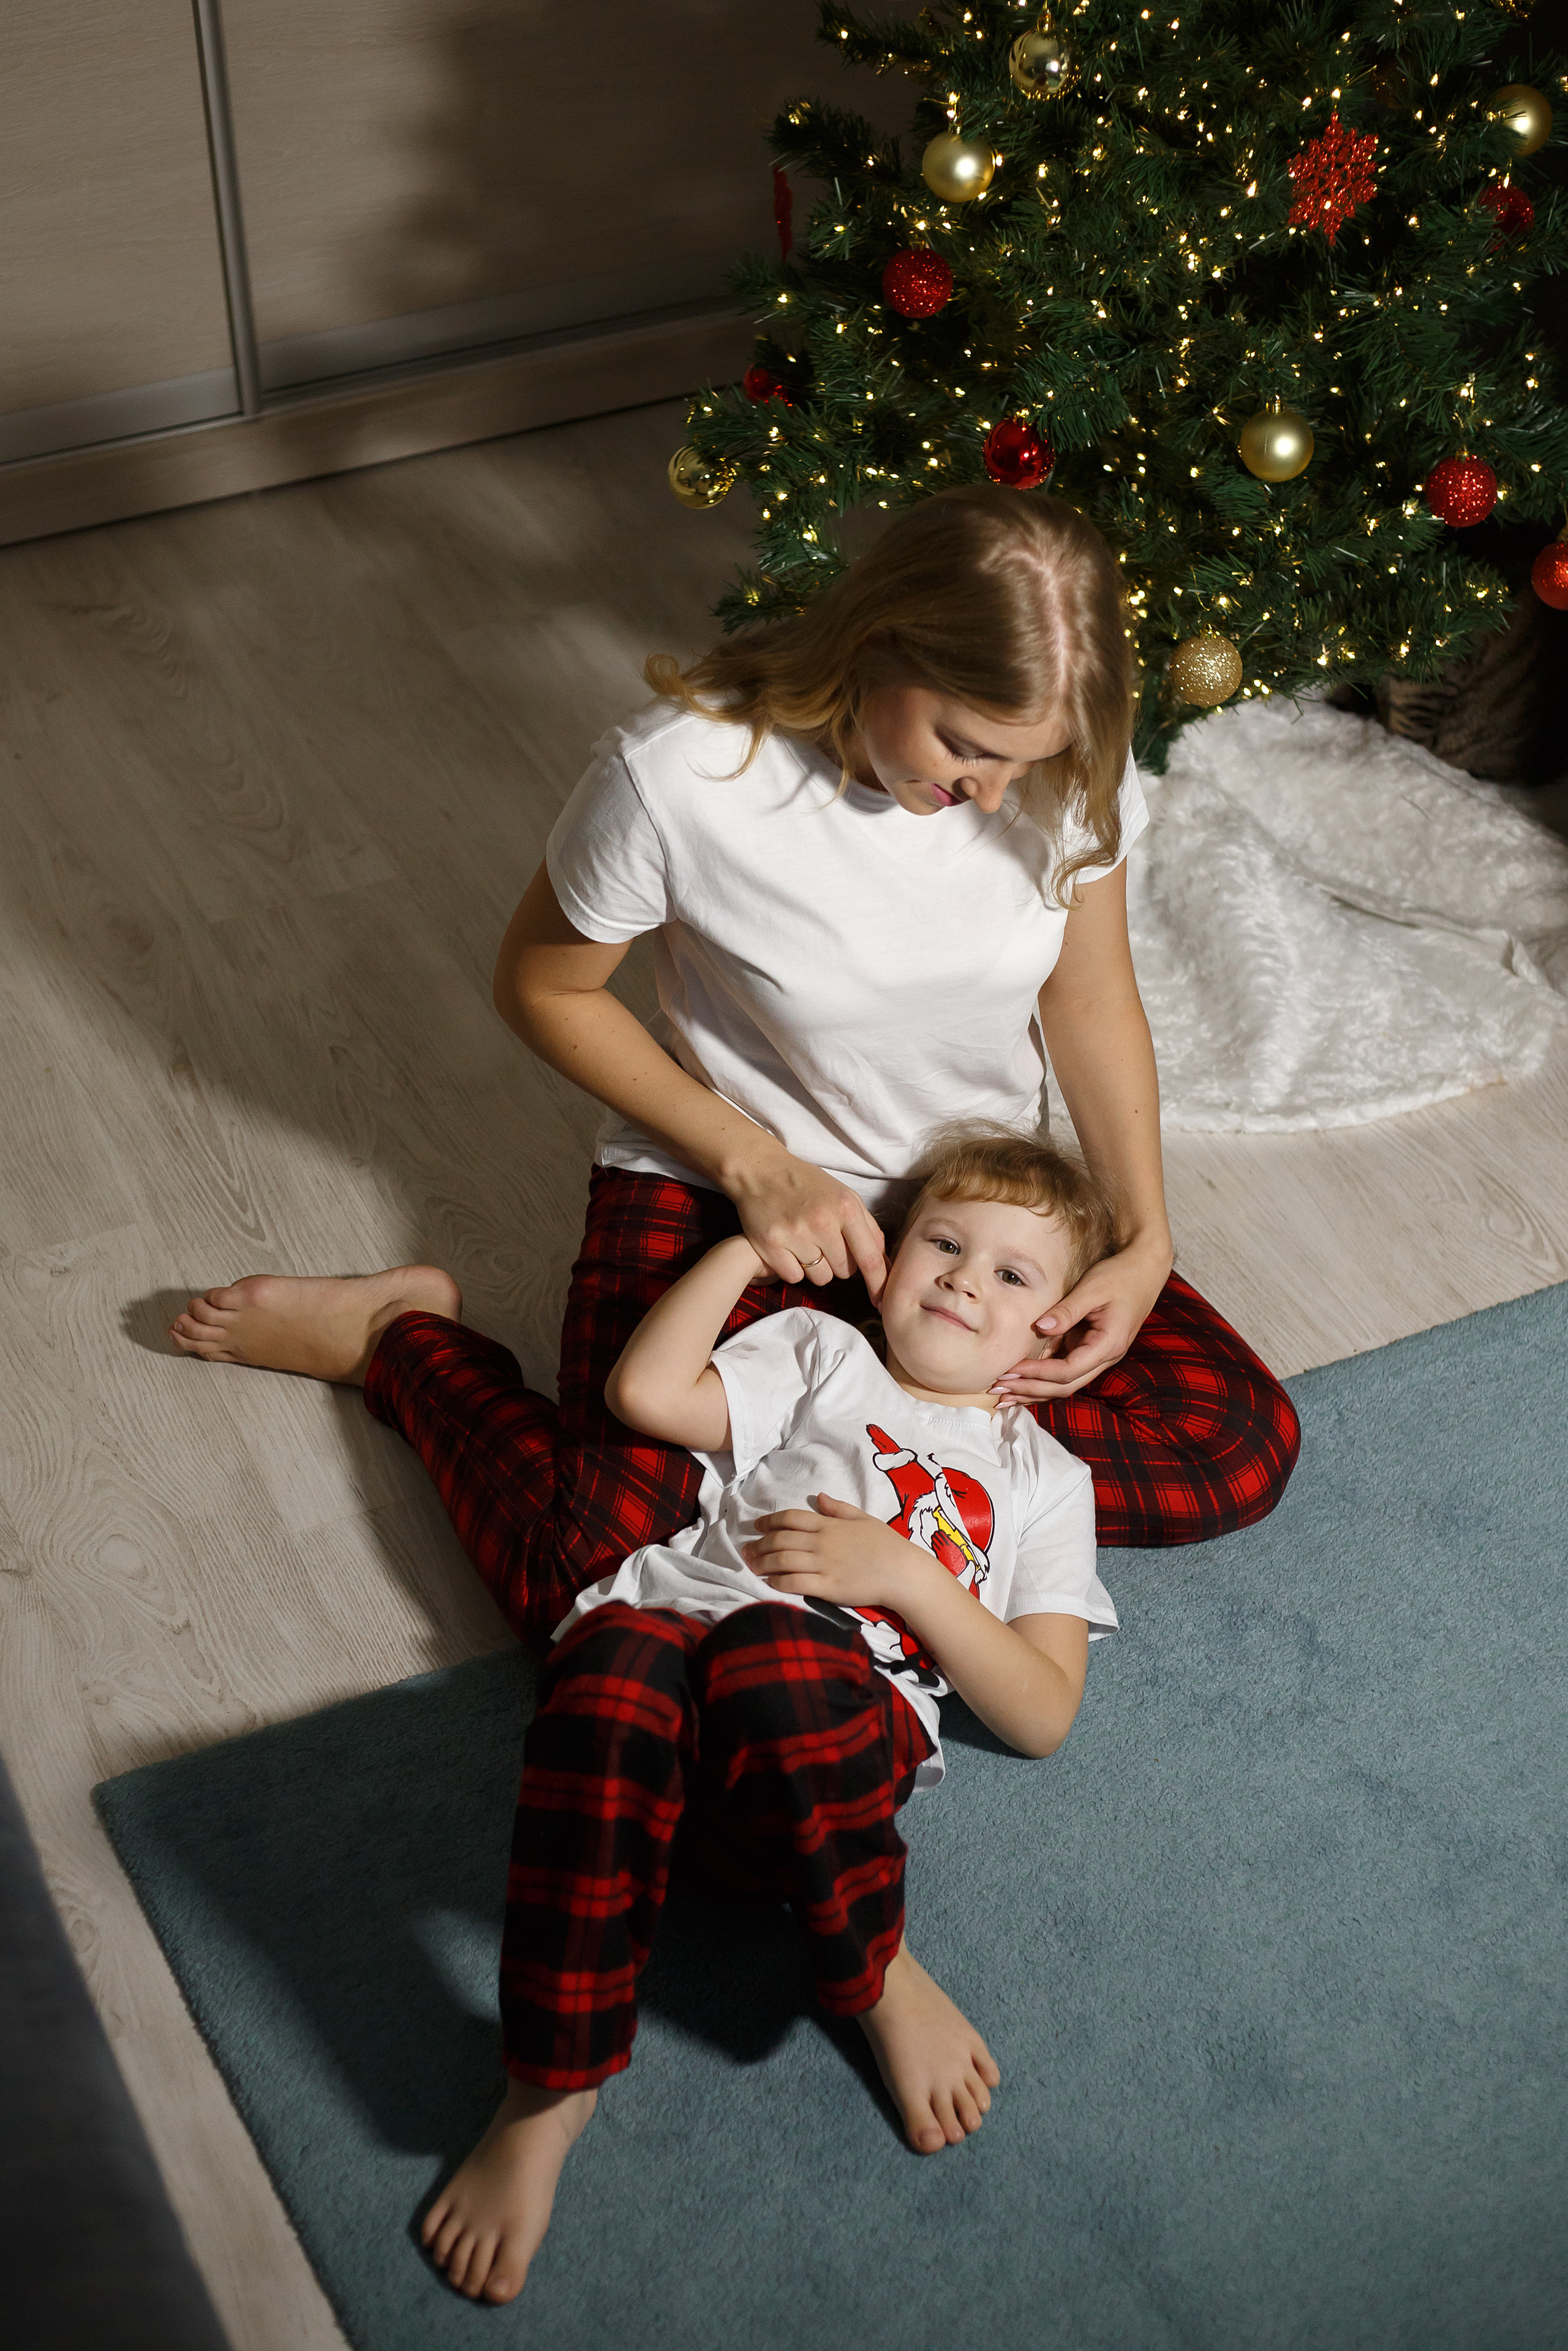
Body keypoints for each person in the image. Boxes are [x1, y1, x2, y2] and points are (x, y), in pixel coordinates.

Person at [168, 488, 1299, 1654]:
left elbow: (1089, 996)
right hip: (730, 1184)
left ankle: (832, 1449)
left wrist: (1143, 1239)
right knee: (589, 1575)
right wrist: (756, 1166)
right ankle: (400, 1339)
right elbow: (543, 986)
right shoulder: (681, 774)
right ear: (880, 644)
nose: (995, 796)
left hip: (970, 1205)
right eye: (966, 748)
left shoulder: (1063, 766)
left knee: (1236, 1449)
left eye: (1028, 762)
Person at [422, 1128, 1122, 2304]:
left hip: (816, 1752)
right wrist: (750, 1250)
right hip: (648, 1717)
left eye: (1012, 1274)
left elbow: (1043, 1711)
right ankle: (550, 2085)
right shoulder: (822, 1353)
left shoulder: (1045, 1479)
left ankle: (873, 1964)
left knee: (769, 1655)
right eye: (944, 1244)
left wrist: (907, 1577)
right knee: (621, 1651)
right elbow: (645, 1394)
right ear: (888, 1262)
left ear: (1054, 1335)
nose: (964, 1279)